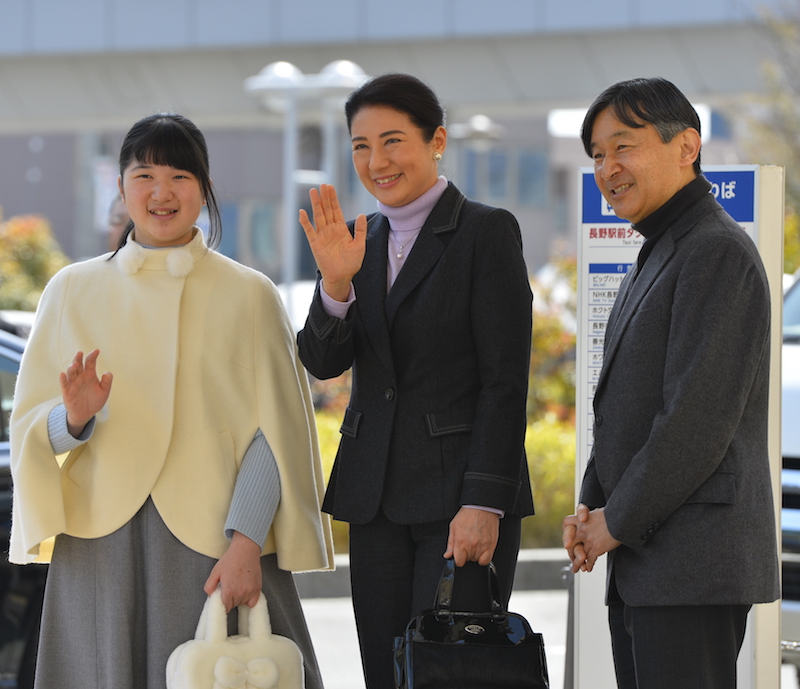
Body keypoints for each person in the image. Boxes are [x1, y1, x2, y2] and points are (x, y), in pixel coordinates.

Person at [9, 112, 333, 689]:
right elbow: (34, 428)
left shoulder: (250, 294)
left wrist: (246, 543)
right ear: (121, 187)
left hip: (215, 541)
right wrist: (74, 419)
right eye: (145, 175)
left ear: (204, 188)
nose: (162, 192)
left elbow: (277, 434)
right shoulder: (71, 291)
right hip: (100, 548)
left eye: (180, 176)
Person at [297, 73, 534, 689]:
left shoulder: (485, 232)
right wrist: (336, 287)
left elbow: (504, 383)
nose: (376, 161)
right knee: (386, 673)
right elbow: (321, 363)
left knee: (451, 673)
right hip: (374, 500)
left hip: (458, 501)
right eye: (360, 145)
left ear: (437, 142)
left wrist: (485, 502)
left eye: (393, 140)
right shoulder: (356, 241)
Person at [563, 78, 779, 689]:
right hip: (649, 561)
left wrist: (615, 519)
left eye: (622, 147)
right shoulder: (657, 251)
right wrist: (590, 504)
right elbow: (625, 404)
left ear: (687, 145)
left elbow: (695, 420)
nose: (607, 168)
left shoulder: (715, 251)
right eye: (597, 155)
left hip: (691, 562)